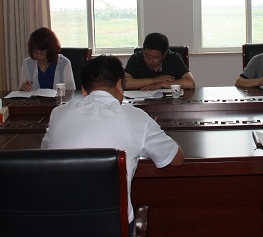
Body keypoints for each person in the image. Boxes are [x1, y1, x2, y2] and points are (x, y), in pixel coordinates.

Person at [41, 55, 184, 225]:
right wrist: (155, 131)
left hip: (59, 225)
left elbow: (45, 153)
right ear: (119, 85)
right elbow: (176, 158)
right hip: (113, 231)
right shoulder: (136, 117)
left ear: (84, 90)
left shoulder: (58, 114)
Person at [124, 32, 195, 90]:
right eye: (147, 55)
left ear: (164, 54)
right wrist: (155, 80)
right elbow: (124, 84)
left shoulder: (173, 59)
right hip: (141, 100)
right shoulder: (136, 59)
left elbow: (190, 83)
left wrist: (162, 84)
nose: (150, 60)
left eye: (155, 57)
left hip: (168, 101)